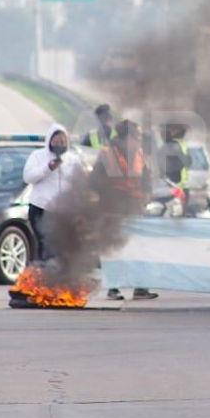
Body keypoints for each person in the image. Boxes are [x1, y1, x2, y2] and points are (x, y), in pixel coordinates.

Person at [90, 120, 158, 301]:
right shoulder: (107, 154)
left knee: (140, 247)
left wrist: (146, 195)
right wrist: (112, 196)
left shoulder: (139, 154)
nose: (139, 140)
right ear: (126, 137)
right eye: (136, 136)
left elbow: (147, 178)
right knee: (115, 249)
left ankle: (141, 288)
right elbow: (94, 180)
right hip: (113, 209)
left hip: (134, 208)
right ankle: (113, 288)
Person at [22, 123, 82, 261]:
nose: (59, 145)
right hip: (41, 208)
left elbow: (79, 182)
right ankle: (44, 270)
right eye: (56, 142)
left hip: (64, 211)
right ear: (49, 141)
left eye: (62, 142)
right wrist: (48, 168)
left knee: (63, 246)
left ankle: (61, 272)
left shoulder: (73, 160)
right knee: (45, 245)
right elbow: (28, 177)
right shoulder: (38, 156)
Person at [158, 123, 191, 209]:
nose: (161, 134)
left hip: (174, 185)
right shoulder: (178, 145)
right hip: (177, 185)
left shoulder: (171, 147)